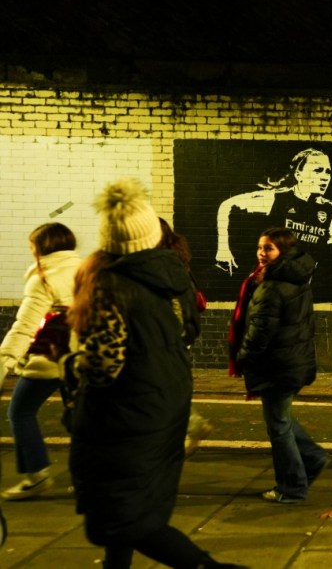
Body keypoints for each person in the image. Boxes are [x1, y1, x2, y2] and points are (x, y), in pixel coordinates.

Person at [61, 179, 245, 569]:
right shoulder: (172, 276)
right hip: (166, 406)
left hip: (124, 420)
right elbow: (184, 331)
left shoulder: (108, 287)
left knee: (124, 520)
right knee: (135, 510)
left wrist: (69, 368)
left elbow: (102, 366)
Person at [228, 228, 328, 504]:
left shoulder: (272, 286)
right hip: (291, 360)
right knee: (281, 419)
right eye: (260, 247)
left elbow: (261, 331)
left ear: (283, 252)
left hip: (277, 364)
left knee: (278, 426)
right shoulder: (295, 278)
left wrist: (243, 357)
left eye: (269, 248)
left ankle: (293, 487)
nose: (262, 253)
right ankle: (312, 458)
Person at [0, 223, 81, 500]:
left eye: (32, 245)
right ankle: (94, 477)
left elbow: (26, 324)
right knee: (84, 418)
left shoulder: (43, 277)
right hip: (82, 357)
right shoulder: (88, 270)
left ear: (42, 247)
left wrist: (5, 359)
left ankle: (36, 475)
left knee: (20, 411)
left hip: (50, 357)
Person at [215, 148, 332, 274]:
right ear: (298, 174)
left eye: (328, 172)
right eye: (318, 170)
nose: (324, 177)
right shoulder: (277, 199)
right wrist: (223, 250)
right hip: (272, 279)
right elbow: (227, 205)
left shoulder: (329, 209)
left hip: (300, 284)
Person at [158, 217, 214, 457]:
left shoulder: (160, 265)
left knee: (160, 385)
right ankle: (187, 423)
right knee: (168, 384)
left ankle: (187, 423)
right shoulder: (178, 259)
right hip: (183, 332)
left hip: (168, 334)